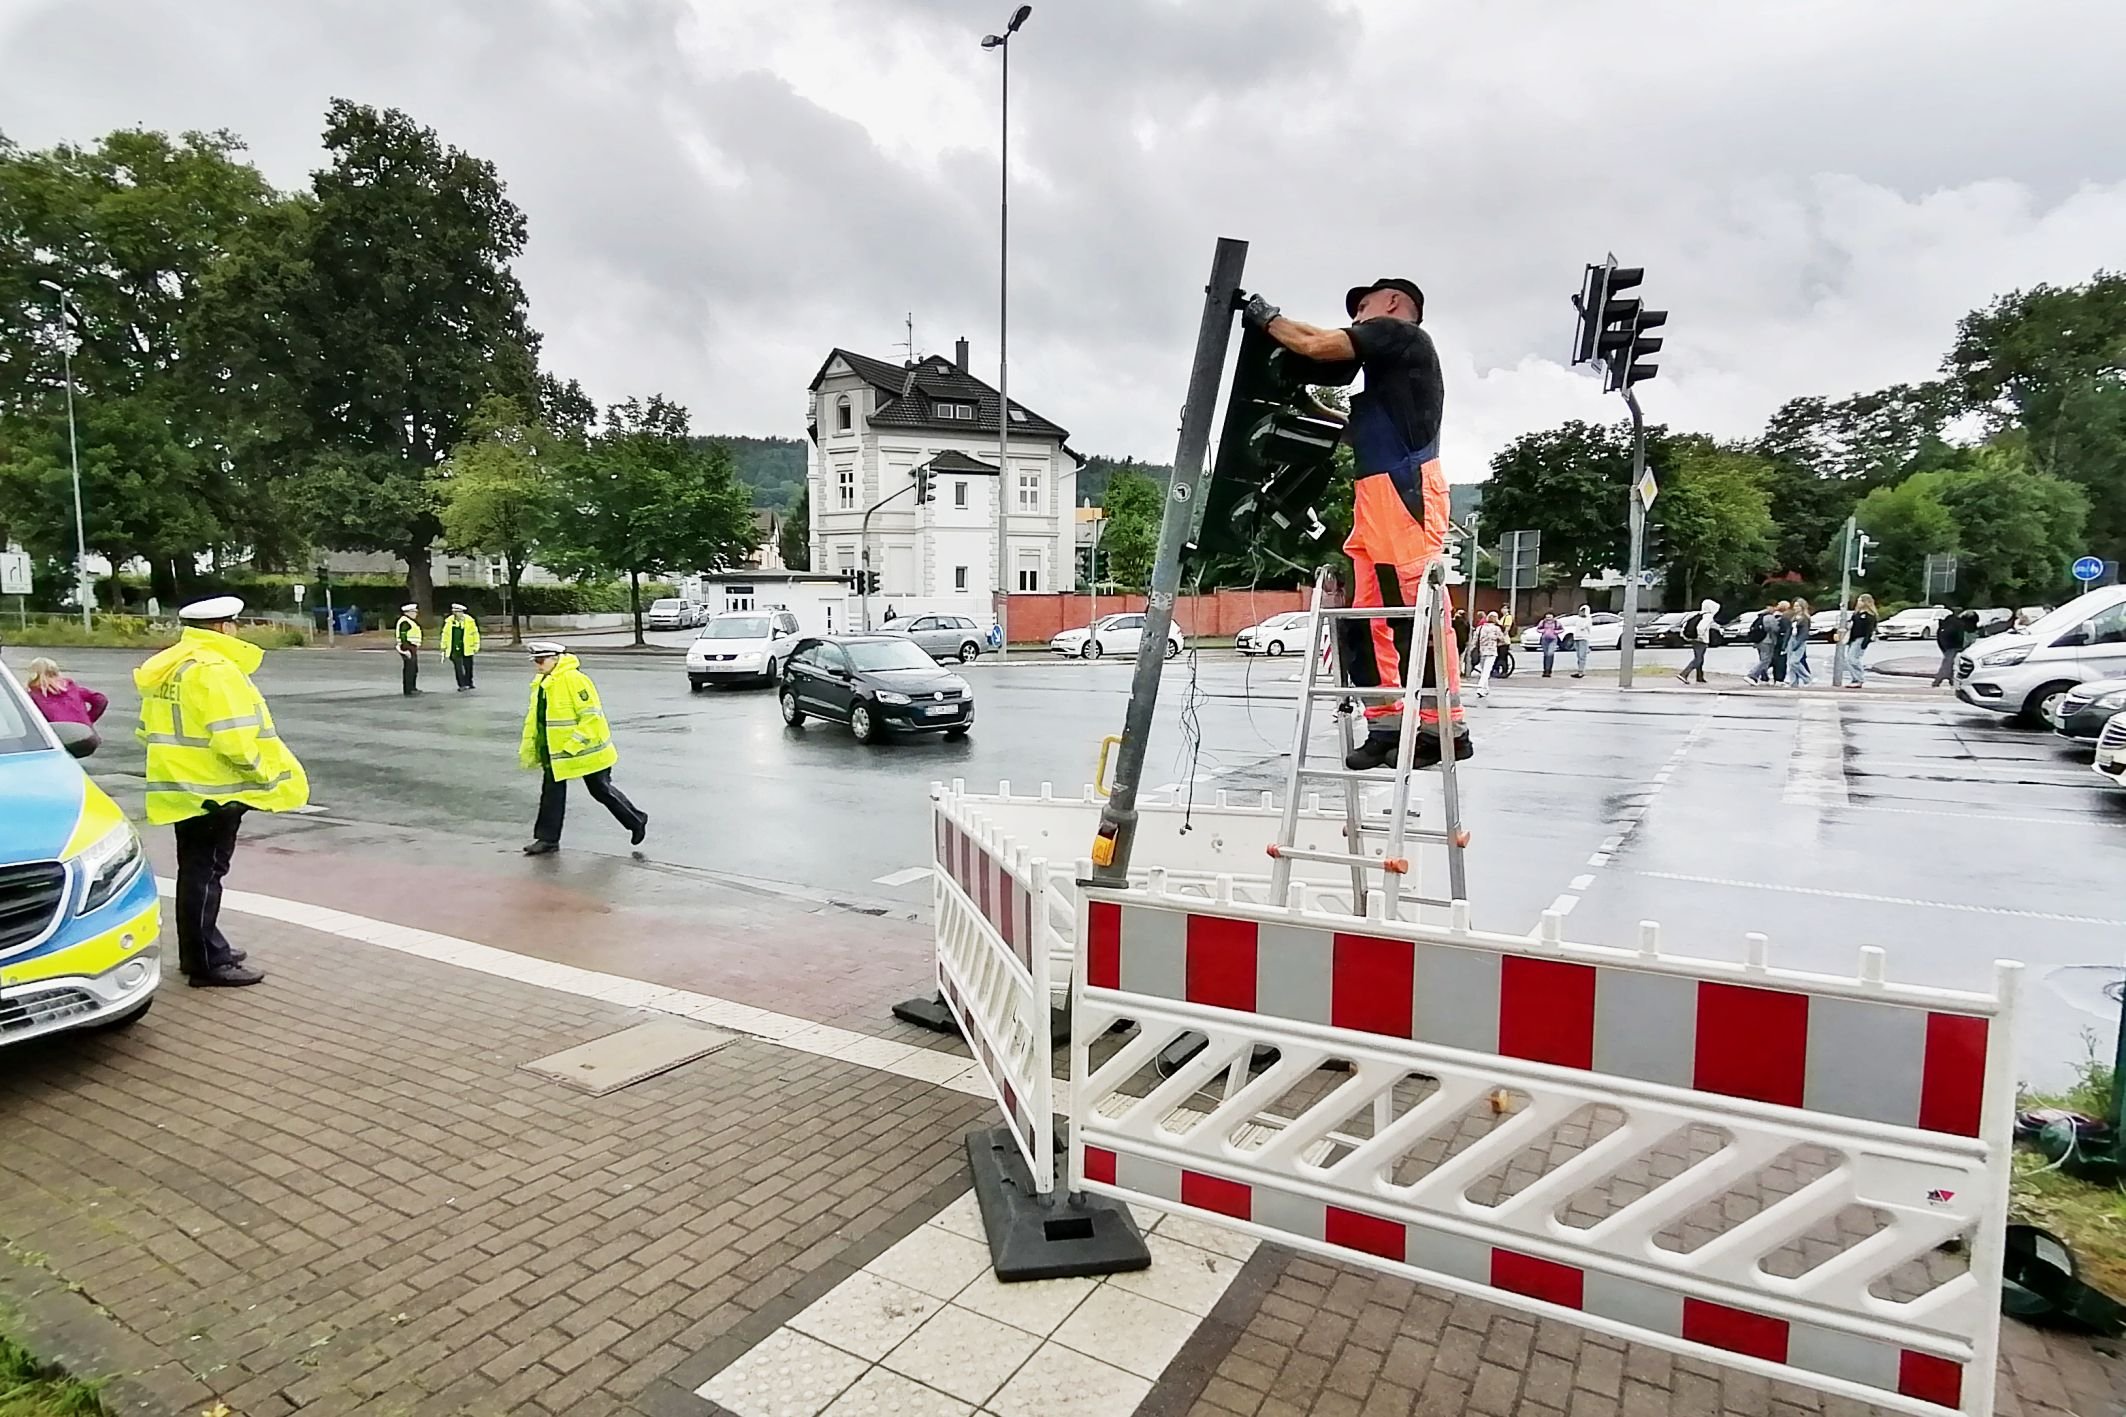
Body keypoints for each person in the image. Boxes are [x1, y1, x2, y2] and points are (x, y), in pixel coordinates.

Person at [1244, 277, 1470, 769]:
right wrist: (1307, 407)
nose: (1356, 320)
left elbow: (1316, 344)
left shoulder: (1401, 333)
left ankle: (1442, 726)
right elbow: (1358, 433)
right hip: (1378, 493)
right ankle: (1386, 721)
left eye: (1361, 308)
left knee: (1414, 611)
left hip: (1405, 487)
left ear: (1392, 303)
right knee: (1366, 619)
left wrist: (1266, 317)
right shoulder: (1393, 376)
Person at [134, 597, 309, 987]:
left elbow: (146, 728)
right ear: (222, 627)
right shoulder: (215, 670)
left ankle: (200, 948)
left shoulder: (170, 665)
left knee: (195, 871)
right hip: (215, 789)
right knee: (205, 874)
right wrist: (263, 773)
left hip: (181, 786)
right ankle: (206, 961)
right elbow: (233, 740)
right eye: (234, 624)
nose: (236, 630)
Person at [521, 641, 648, 856]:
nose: (537, 665)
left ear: (556, 659)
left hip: (587, 752)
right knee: (551, 793)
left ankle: (636, 820)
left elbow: (591, 716)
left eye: (541, 660)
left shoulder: (575, 680)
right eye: (535, 660)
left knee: (600, 790)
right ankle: (547, 839)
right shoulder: (543, 682)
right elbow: (538, 718)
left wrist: (574, 744)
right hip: (557, 753)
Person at [25, 656, 108, 754]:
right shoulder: (71, 688)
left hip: (61, 740)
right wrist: (88, 721)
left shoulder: (33, 696)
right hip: (87, 737)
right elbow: (101, 700)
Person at [1676, 599, 1720, 685]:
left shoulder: (1696, 614)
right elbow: (1701, 628)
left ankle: (1700, 677)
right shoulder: (1708, 616)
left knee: (1700, 657)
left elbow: (1684, 624)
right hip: (1701, 640)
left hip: (1693, 639)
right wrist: (1701, 636)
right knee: (1698, 659)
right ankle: (1684, 674)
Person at [440, 602, 481, 691]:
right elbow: (445, 634)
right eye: (454, 612)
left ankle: (469, 682)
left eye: (458, 612)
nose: (456, 614)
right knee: (458, 667)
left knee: (468, 666)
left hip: (467, 647)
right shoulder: (449, 621)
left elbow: (475, 634)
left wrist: (476, 645)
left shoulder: (470, 621)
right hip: (453, 648)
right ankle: (461, 684)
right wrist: (443, 646)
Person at [1841, 593, 1878, 688]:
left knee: (1853, 659)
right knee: (1849, 659)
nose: (1858, 602)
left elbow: (1870, 630)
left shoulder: (1870, 616)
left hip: (1861, 639)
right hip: (1853, 638)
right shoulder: (1856, 614)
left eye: (1860, 600)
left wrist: (1865, 642)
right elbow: (1852, 625)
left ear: (1866, 602)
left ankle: (1859, 678)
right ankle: (1855, 678)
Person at [1932, 607, 1970, 687]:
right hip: (1955, 645)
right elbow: (1960, 635)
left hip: (1947, 645)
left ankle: (1949, 678)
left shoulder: (1947, 621)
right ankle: (1939, 679)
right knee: (1948, 663)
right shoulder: (1959, 622)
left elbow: (1940, 634)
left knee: (1950, 662)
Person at [1473, 613, 1505, 698]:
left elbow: (1475, 640)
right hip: (1491, 651)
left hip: (1481, 651)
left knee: (1484, 670)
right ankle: (1480, 688)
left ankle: (1485, 689)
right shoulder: (1496, 629)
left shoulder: (1480, 628)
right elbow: (1502, 639)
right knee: (1486, 671)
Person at [395, 603, 423, 696]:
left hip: (411, 647)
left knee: (413, 668)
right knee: (410, 669)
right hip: (408, 647)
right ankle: (409, 689)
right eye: (414, 612)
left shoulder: (409, 621)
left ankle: (412, 687)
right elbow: (403, 636)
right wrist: (405, 650)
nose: (416, 614)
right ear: (409, 612)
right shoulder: (405, 622)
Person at [1784, 599, 1814, 686]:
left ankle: (1807, 678)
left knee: (1794, 662)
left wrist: (1798, 643)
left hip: (1799, 640)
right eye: (1795, 606)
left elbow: (1804, 633)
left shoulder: (1805, 618)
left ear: (1802, 607)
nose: (1796, 608)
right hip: (1792, 639)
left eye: (1798, 606)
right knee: (1790, 663)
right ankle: (1793, 682)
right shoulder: (1794, 617)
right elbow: (1789, 630)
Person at [1767, 599, 1793, 683]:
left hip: (1771, 641)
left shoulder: (1772, 615)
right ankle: (1779, 679)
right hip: (1780, 641)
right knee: (1780, 661)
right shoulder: (1785, 617)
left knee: (1772, 659)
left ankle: (1764, 675)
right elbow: (1786, 631)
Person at [1570, 604, 1593, 678]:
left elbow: (1584, 627)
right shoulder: (1578, 619)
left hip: (1583, 638)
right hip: (1577, 638)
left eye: (1583, 611)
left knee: (1582, 655)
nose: (1581, 613)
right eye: (1581, 611)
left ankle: (1581, 671)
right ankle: (1579, 670)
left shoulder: (1588, 619)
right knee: (1578, 655)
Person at [1536, 611, 1562, 678]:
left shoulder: (1556, 622)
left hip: (1553, 639)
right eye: (1547, 617)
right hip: (1544, 639)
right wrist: (1544, 631)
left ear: (1553, 617)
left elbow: (1561, 629)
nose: (1548, 619)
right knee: (1546, 654)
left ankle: (1549, 670)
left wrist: (1555, 632)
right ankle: (1545, 670)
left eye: (1550, 617)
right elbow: (1538, 629)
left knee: (1550, 653)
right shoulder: (1543, 622)